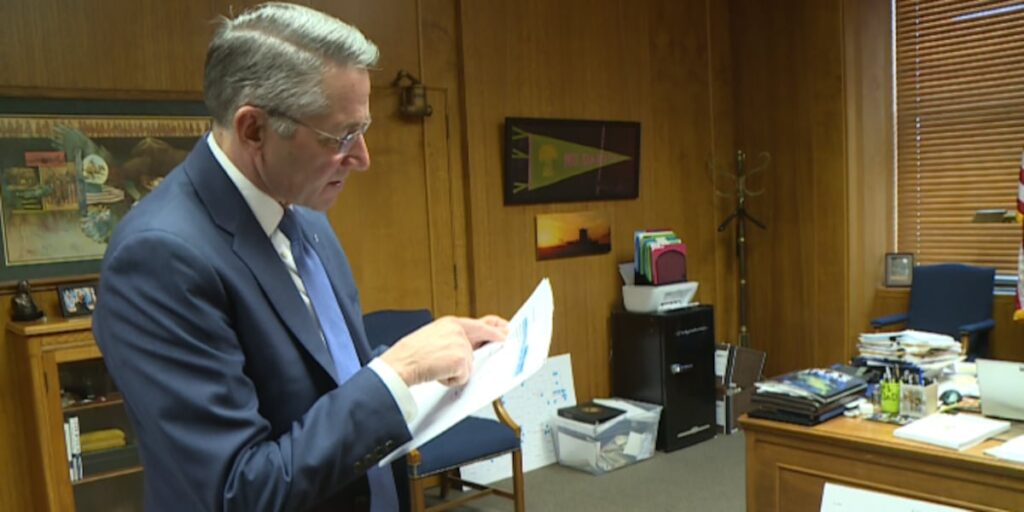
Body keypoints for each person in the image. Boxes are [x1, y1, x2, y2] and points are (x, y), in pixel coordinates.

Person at [92, 3, 509, 511]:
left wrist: (425, 361)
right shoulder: (158, 259)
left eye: (363, 129)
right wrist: (396, 373)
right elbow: (240, 491)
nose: (363, 158)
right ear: (253, 129)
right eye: (342, 136)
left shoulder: (301, 210)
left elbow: (332, 377)